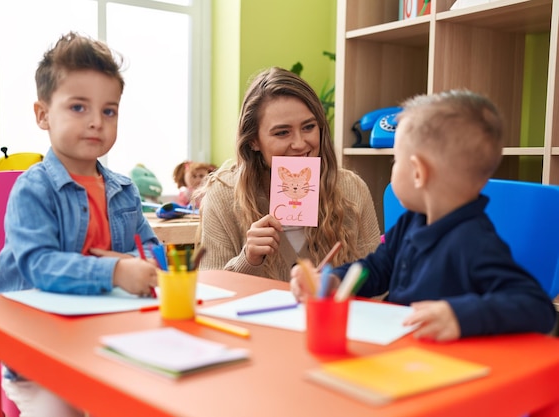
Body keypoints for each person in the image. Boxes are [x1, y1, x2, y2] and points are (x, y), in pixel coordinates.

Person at [290, 89, 557, 341]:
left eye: (395, 160)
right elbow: (377, 268)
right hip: (398, 349)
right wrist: (336, 279)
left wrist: (459, 316)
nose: (393, 169)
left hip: (440, 369)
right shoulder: (412, 221)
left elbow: (537, 307)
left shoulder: (474, 241)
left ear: (418, 172)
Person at [0, 32, 160, 416]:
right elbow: (39, 265)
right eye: (78, 108)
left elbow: (150, 248)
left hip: (108, 344)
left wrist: (153, 264)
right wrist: (115, 270)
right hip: (39, 355)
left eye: (108, 111)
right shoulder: (33, 189)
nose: (95, 123)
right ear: (42, 115)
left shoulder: (124, 189)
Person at [195, 67, 382, 281]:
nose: (300, 144)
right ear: (254, 140)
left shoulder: (351, 190)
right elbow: (213, 294)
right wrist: (248, 259)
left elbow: (376, 285)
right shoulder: (223, 196)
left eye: (309, 127)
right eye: (282, 132)